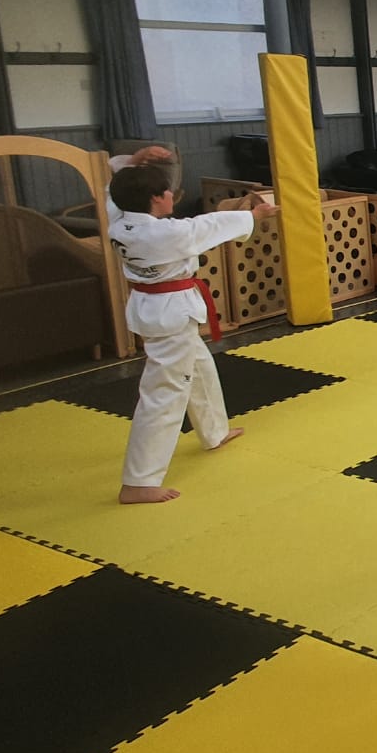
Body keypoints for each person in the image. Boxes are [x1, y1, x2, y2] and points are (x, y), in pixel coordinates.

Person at [107, 163, 280, 504]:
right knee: (164, 393)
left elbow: (112, 192)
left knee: (198, 365)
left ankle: (214, 431)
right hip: (169, 312)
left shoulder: (119, 222)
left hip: (152, 307)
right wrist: (253, 216)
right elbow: (207, 226)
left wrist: (136, 159)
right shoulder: (164, 234)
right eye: (169, 191)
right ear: (157, 198)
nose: (173, 195)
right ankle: (139, 481)